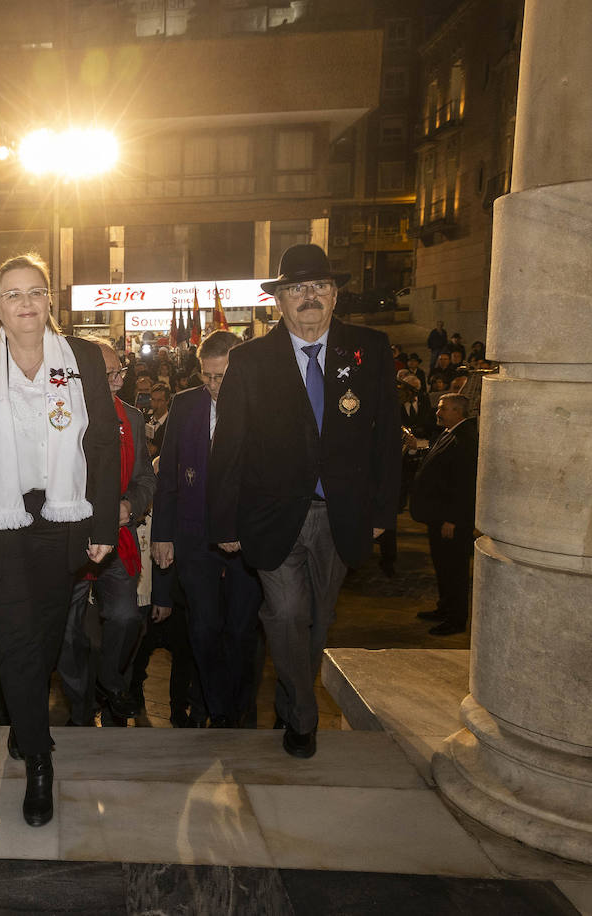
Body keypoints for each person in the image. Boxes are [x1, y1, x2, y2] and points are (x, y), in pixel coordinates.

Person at [0, 253, 118, 827]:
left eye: (34, 292)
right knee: (16, 636)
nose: (25, 303)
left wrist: (103, 524)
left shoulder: (83, 358)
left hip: (63, 516)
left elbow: (104, 446)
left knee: (42, 635)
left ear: (49, 301)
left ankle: (22, 721)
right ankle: (39, 761)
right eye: (12, 294)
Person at [208, 244, 400, 758]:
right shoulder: (249, 360)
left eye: (318, 287)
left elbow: (385, 439)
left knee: (318, 616)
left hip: (343, 516)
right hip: (271, 517)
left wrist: (383, 513)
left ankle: (292, 700)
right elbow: (229, 446)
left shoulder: (370, 349)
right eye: (297, 289)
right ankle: (303, 714)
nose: (309, 297)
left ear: (334, 295)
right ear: (280, 302)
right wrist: (223, 520)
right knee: (287, 612)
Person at [153, 330, 264, 728]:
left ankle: (239, 708)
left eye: (222, 377)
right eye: (208, 376)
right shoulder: (186, 405)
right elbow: (168, 472)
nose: (215, 386)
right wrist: (162, 533)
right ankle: (219, 711)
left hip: (246, 540)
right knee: (202, 629)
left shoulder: (262, 406)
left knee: (240, 630)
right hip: (194, 536)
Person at [59, 341, 156, 726]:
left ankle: (110, 681)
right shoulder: (61, 417)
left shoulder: (130, 419)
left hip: (117, 538)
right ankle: (80, 706)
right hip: (70, 539)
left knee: (127, 617)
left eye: (120, 373)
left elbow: (146, 478)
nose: (118, 383)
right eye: (109, 376)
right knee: (66, 634)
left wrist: (128, 505)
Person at [409, 393, 479, 636]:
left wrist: (453, 519)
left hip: (451, 520)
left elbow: (464, 485)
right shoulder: (450, 433)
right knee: (442, 565)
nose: (437, 413)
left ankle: (456, 619)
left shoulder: (465, 439)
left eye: (443, 409)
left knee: (454, 569)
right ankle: (444, 607)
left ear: (458, 411)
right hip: (438, 515)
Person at [145, 384, 171, 458]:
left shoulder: (173, 424)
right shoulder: (145, 419)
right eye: (153, 399)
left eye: (159, 400)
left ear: (167, 401)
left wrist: (158, 450)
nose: (155, 404)